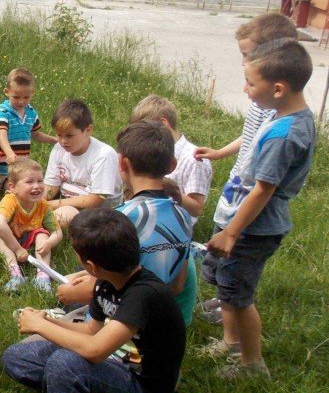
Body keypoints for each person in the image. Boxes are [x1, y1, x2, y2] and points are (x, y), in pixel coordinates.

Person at [2, 208, 186, 393]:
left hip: (142, 389)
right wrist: (47, 322)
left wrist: (41, 328)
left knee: (64, 364)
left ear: (90, 265)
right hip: (111, 364)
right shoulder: (106, 281)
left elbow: (95, 349)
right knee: (17, 357)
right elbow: (91, 331)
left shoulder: (144, 294)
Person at [202, 38, 316, 379]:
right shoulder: (282, 116)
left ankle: (252, 364)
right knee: (228, 288)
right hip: (242, 225)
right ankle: (230, 342)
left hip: (253, 230)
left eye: (251, 83)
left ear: (278, 88)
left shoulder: (286, 134)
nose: (246, 88)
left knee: (239, 296)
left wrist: (231, 233)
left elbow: (263, 189)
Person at [193, 12, 298, 324]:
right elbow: (249, 137)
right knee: (221, 264)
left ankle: (234, 314)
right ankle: (225, 301)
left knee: (236, 266)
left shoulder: (279, 113)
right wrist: (220, 153)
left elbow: (266, 181)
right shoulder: (261, 101)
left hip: (250, 201)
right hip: (237, 192)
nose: (243, 62)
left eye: (247, 54)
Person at [57, 122, 196, 324]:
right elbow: (177, 285)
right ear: (171, 165)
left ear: (122, 163)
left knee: (21, 351)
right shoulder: (183, 217)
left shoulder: (119, 219)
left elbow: (99, 289)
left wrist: (72, 293)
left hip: (112, 326)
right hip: (155, 321)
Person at [129, 95, 212, 223]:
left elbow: (197, 208)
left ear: (163, 124)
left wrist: (168, 190)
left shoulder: (194, 159)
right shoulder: (151, 150)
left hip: (175, 225)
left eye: (144, 130)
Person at [43, 99, 122, 228]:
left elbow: (95, 200)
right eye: (58, 135)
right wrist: (37, 200)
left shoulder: (103, 155)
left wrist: (49, 205)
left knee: (63, 216)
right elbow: (51, 186)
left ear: (88, 130)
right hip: (64, 201)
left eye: (69, 135)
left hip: (98, 214)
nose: (63, 141)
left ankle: (35, 230)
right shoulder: (59, 149)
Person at [0, 158, 62, 293]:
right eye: (29, 182)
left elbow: (57, 232)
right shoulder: (10, 200)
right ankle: (15, 275)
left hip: (28, 237)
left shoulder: (43, 205)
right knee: (0, 235)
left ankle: (43, 276)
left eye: (40, 181)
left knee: (42, 234)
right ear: (12, 187)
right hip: (8, 238)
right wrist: (17, 249)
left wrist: (49, 243)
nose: (36, 186)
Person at [0, 68, 56, 193]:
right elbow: (1, 135)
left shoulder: (31, 113)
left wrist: (53, 139)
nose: (21, 101)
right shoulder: (3, 113)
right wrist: (10, 154)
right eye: (16, 97)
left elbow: (35, 134)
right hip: (2, 168)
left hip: (21, 167)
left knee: (26, 189)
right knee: (12, 191)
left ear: (32, 92)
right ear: (7, 92)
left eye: (26, 97)